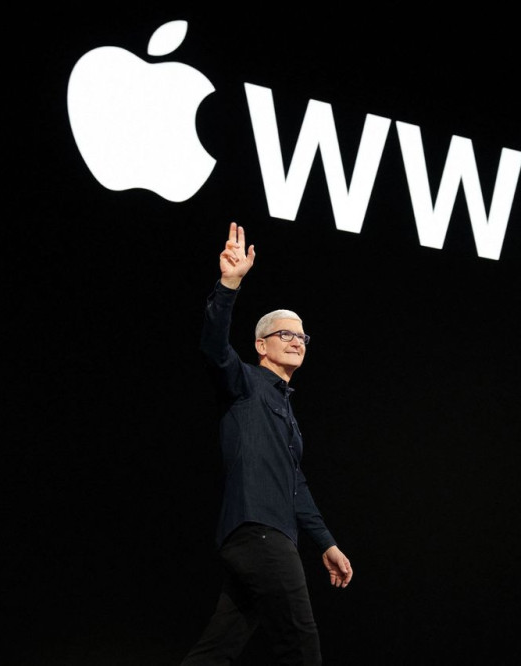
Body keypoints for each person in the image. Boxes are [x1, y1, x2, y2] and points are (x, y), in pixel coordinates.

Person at [180, 222, 352, 665]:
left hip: (267, 536)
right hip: (258, 532)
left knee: (216, 651)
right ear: (261, 345)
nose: (297, 342)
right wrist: (229, 285)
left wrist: (327, 543)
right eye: (285, 334)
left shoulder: (288, 412)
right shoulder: (245, 383)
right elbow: (213, 347)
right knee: (302, 644)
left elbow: (297, 486)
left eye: (302, 336)